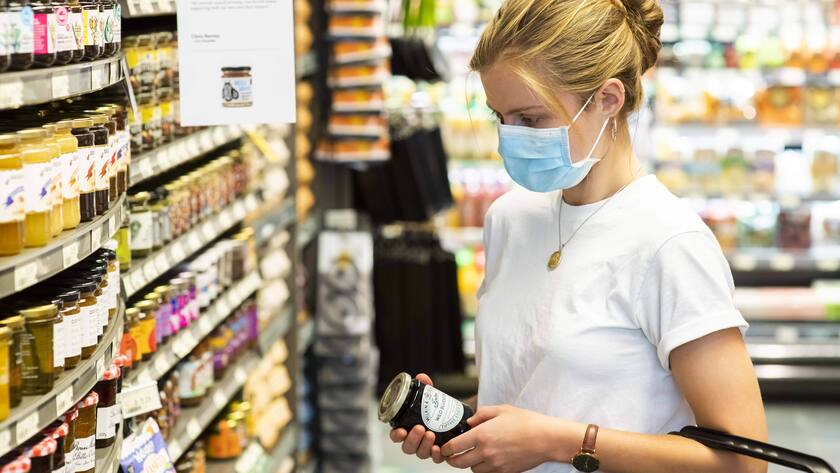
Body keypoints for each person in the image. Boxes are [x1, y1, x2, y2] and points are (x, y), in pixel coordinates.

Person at [389, 0, 768, 472]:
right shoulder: (510, 218)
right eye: (498, 116)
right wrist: (467, 424)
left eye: (530, 119)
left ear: (608, 99)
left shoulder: (669, 243)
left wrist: (554, 441)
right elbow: (543, 385)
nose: (509, 137)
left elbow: (743, 462)